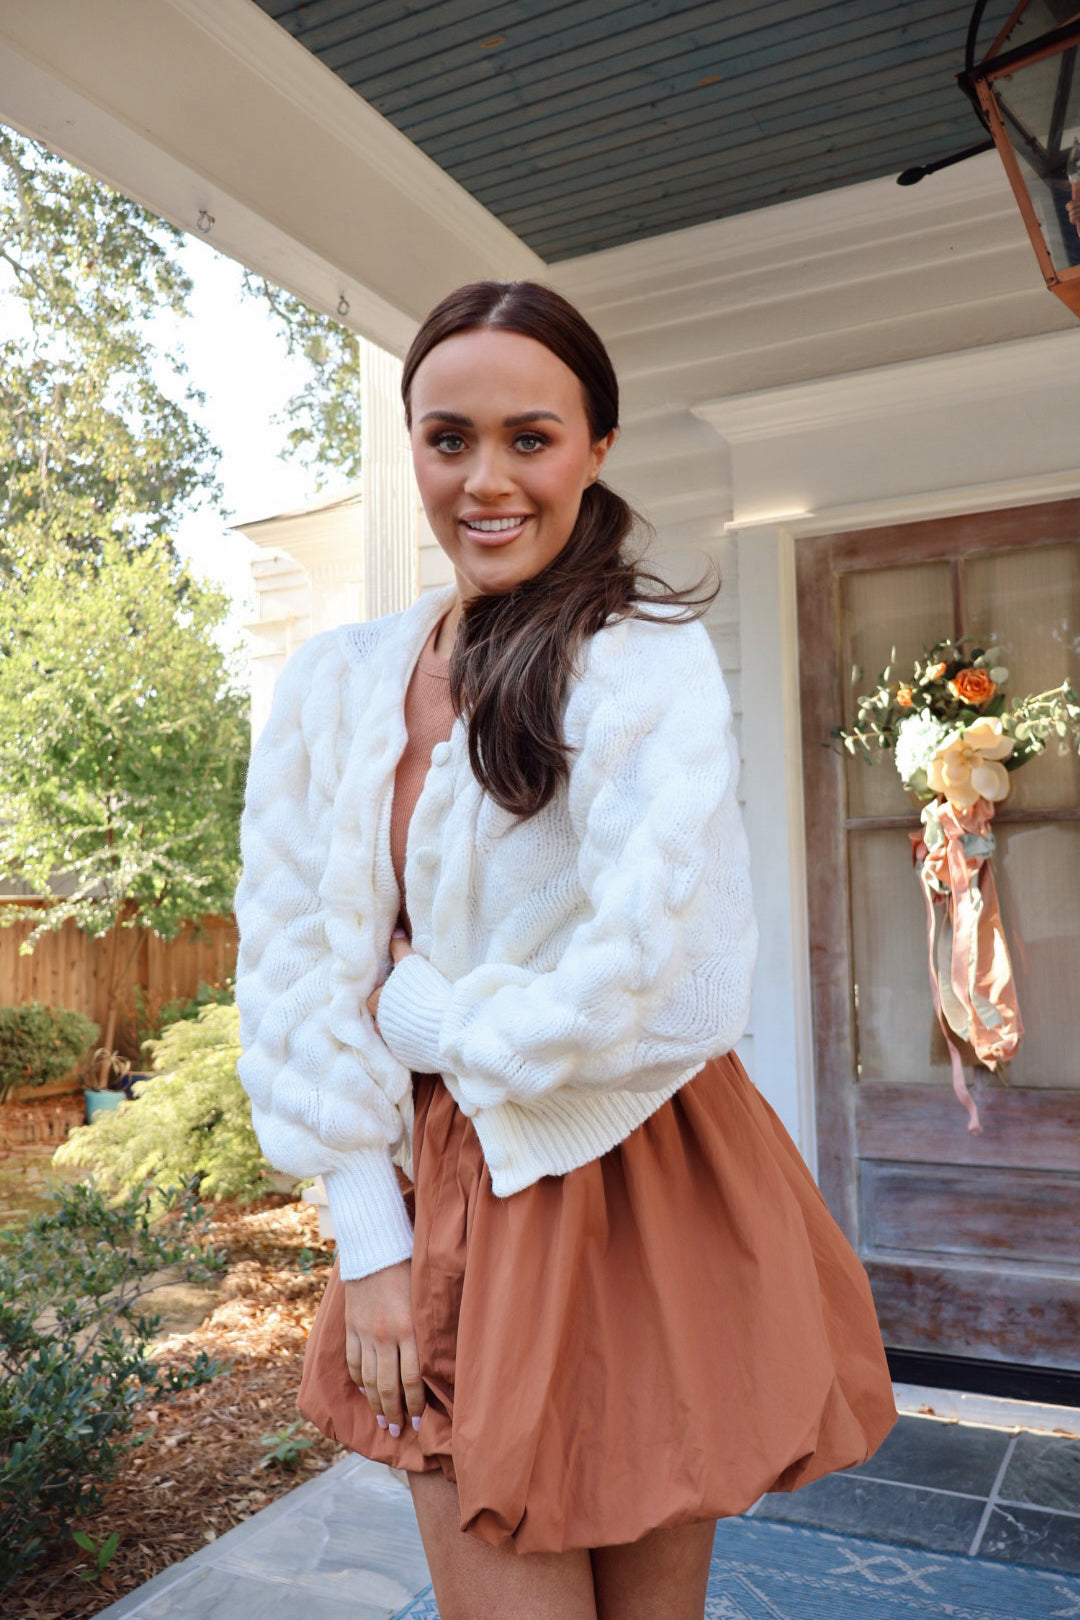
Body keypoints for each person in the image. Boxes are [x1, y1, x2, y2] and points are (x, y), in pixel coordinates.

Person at [234, 280, 896, 1620]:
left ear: (595, 446)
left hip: (645, 1178)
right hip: (445, 1199)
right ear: (412, 445)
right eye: (448, 438)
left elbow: (670, 989)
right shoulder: (332, 685)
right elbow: (298, 979)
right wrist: (368, 1243)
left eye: (530, 438)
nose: (487, 480)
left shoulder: (643, 666)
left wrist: (421, 1019)